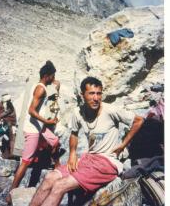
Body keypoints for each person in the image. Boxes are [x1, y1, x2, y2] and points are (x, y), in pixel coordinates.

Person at [29, 76, 144, 206]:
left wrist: (123, 144)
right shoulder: (78, 113)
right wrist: (72, 154)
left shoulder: (110, 110)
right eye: (91, 93)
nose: (96, 98)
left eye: (99, 93)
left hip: (107, 163)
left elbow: (138, 120)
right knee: (50, 178)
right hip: (89, 158)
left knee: (60, 185)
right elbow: (74, 133)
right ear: (82, 94)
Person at [6, 60, 62, 204]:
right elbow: (31, 110)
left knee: (55, 141)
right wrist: (47, 121)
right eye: (52, 76)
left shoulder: (41, 86)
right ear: (47, 75)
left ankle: (59, 169)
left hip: (38, 126)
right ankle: (11, 192)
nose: (54, 79)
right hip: (33, 129)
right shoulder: (41, 89)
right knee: (26, 161)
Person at [0, 93, 17, 158]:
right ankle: (6, 155)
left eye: (9, 100)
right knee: (5, 142)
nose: (9, 102)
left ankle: (11, 155)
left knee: (11, 141)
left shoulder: (10, 107)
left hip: (10, 126)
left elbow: (13, 117)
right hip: (3, 126)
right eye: (7, 101)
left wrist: (12, 124)